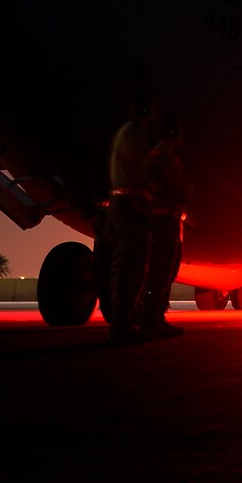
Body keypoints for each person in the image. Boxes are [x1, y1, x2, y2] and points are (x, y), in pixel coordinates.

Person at [102, 94, 188, 343]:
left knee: (140, 264)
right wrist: (143, 202)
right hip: (132, 202)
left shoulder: (135, 136)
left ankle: (135, 321)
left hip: (132, 202)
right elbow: (136, 167)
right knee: (135, 265)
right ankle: (126, 323)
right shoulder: (134, 136)